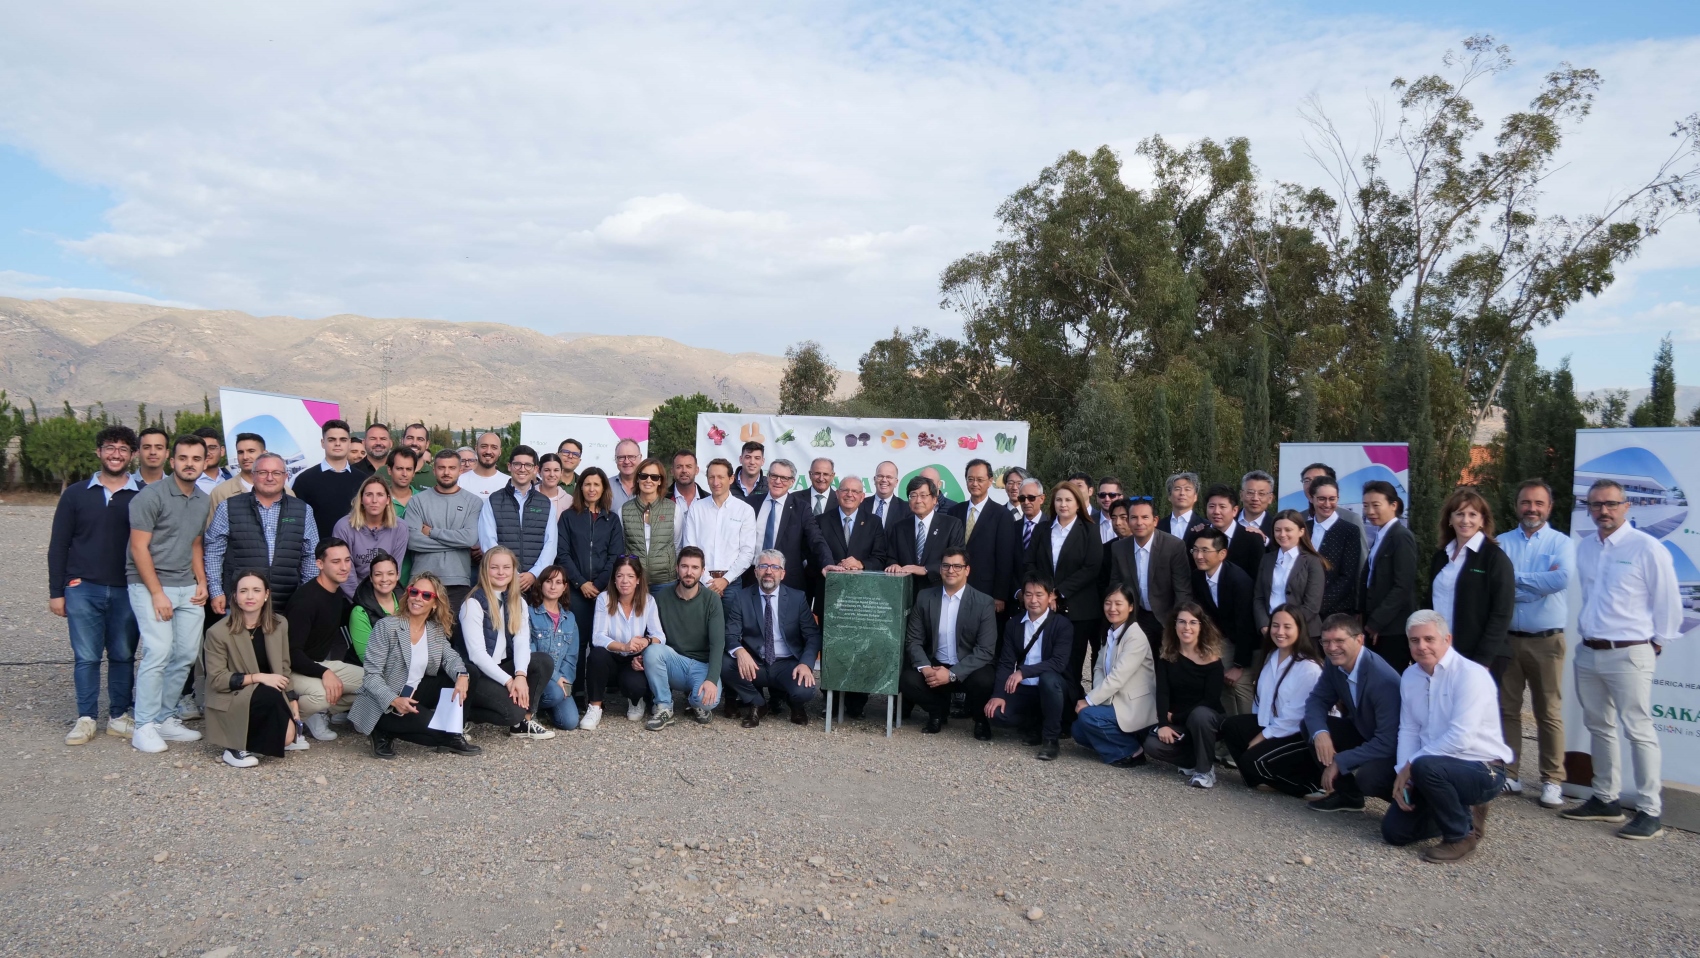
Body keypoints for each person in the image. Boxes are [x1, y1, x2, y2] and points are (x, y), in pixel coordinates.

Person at [1562, 478, 1683, 841]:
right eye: (1596, 504)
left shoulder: (1647, 548)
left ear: (1626, 507)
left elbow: (1669, 603)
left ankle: (1650, 810)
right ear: (1589, 508)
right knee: (1600, 727)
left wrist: (1654, 643)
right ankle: (1605, 799)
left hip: (1629, 652)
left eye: (1611, 504)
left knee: (1639, 730)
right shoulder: (1585, 548)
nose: (1604, 511)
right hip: (1589, 651)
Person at [1382, 610, 1512, 863]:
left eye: (1429, 639)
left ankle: (1460, 836)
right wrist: (1403, 772)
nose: (1422, 646)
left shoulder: (1470, 674)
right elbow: (1408, 729)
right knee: (1394, 833)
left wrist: (1412, 766)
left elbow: (1461, 738)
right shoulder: (1410, 677)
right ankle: (1455, 812)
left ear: (1447, 640)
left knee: (1425, 765)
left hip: (1482, 769)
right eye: (1414, 640)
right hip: (1433, 769)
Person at [50, 424, 144, 744]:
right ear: (99, 452)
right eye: (109, 447)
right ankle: (86, 717)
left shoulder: (143, 495)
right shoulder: (76, 494)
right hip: (82, 587)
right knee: (87, 656)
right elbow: (59, 545)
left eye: (122, 449)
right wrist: (57, 592)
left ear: (132, 455)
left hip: (127, 589)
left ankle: (119, 716)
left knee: (122, 654)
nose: (115, 454)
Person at [126, 434, 211, 754]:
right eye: (183, 458)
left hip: (186, 585)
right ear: (172, 461)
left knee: (186, 654)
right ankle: (143, 724)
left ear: (205, 462)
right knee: (158, 652)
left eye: (196, 459)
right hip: (150, 584)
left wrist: (201, 581)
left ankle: (165, 717)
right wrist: (157, 593)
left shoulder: (203, 499)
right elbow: (138, 547)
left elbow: (194, 543)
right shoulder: (150, 497)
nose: (189, 464)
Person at [1497, 478, 1574, 808]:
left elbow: (1561, 578)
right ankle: (1509, 774)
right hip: (1507, 641)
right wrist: (1535, 585)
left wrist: (1515, 580)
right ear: (1516, 506)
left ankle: (1552, 780)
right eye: (1526, 502)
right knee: (1506, 711)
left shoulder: (1561, 543)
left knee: (1549, 713)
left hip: (1547, 642)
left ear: (1549, 507)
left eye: (1538, 503)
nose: (1532, 509)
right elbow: (1495, 586)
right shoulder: (1499, 542)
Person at [349, 572, 478, 758]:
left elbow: (451, 657)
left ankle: (454, 734)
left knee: (469, 672)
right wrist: (394, 700)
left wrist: (462, 676)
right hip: (384, 702)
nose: (418, 598)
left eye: (426, 595)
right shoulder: (387, 627)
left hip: (415, 692)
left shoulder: (434, 630)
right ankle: (381, 730)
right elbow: (371, 676)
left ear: (435, 604)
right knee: (436, 736)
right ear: (408, 594)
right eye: (414, 592)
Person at [202, 570, 306, 767]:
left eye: (256, 590)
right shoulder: (217, 632)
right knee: (270, 694)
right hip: (234, 695)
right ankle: (234, 748)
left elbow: (284, 666)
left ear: (266, 594)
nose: (250, 596)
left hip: (269, 691)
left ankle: (253, 739)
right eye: (244, 591)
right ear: (235, 596)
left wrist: (292, 700)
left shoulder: (279, 623)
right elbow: (217, 680)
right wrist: (259, 677)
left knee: (288, 737)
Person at [1303, 613, 1403, 812]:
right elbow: (1317, 701)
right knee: (1311, 726)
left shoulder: (1382, 679)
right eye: (1326, 642)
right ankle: (1347, 795)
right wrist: (1320, 733)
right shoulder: (1334, 663)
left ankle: (1410, 806)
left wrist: (1340, 761)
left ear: (1359, 639)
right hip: (1364, 731)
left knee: (1368, 778)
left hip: (1392, 748)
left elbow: (1388, 741)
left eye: (1339, 640)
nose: (1331, 648)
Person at [1221, 604, 1323, 795]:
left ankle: (1309, 786)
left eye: (1287, 626)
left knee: (1249, 759)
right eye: (1275, 625)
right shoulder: (1271, 657)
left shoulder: (1308, 667)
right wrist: (1255, 732)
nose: (1280, 631)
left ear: (1299, 629)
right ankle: (1262, 776)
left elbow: (1295, 716)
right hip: (1273, 726)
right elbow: (1261, 701)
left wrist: (1261, 737)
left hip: (1297, 734)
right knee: (1231, 726)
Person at [205, 452, 319, 619]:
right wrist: (216, 591)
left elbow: (310, 556)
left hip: (286, 603)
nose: (270, 478)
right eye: (263, 472)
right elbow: (213, 552)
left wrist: (305, 596)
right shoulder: (228, 508)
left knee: (280, 646)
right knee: (239, 646)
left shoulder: (303, 510)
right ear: (253, 475)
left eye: (276, 473)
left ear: (286, 476)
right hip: (239, 603)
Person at [901, 546, 999, 737]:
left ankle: (980, 720)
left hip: (968, 668)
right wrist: (926, 668)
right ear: (940, 569)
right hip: (936, 666)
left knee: (985, 679)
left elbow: (986, 650)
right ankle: (937, 713)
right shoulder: (925, 597)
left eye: (957, 566)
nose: (951, 570)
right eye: (946, 566)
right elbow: (913, 639)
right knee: (907, 679)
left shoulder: (983, 602)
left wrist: (953, 673)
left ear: (967, 570)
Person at [459, 546, 555, 739]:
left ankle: (523, 722)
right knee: (511, 712)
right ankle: (463, 714)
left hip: (503, 667)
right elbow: (477, 655)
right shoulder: (473, 603)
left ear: (513, 571)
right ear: (485, 570)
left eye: (506, 567)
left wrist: (520, 675)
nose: (501, 572)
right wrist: (509, 681)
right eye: (494, 567)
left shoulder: (518, 601)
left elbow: (521, 642)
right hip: (477, 675)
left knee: (542, 661)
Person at [723, 549, 821, 726]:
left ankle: (796, 704)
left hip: (787, 663)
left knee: (804, 690)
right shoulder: (742, 597)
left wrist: (805, 664)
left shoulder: (797, 598)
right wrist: (740, 651)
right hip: (755, 664)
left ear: (782, 574)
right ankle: (758, 703)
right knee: (724, 663)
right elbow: (730, 633)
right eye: (763, 566)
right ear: (755, 572)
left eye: (775, 567)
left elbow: (812, 635)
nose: (769, 571)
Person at [1427, 488, 1515, 677]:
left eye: (1472, 514)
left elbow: (1501, 613)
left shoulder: (1494, 559)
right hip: (1443, 652)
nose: (1465, 520)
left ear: (1482, 520)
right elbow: (1430, 603)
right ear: (1449, 520)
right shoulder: (1441, 557)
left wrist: (1483, 660)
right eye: (1459, 514)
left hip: (1481, 657)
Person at [986, 574, 1075, 760]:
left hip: (1051, 687)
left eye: (1039, 594)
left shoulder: (1062, 625)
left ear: (1051, 596)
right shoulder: (1014, 624)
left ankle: (1051, 740)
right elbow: (1006, 662)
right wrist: (998, 695)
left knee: (1049, 679)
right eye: (1028, 594)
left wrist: (1023, 672)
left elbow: (1058, 663)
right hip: (1025, 688)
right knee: (994, 713)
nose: (1033, 600)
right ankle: (1034, 725)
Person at [1024, 478, 1101, 683]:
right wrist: (1044, 593)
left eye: (1068, 499)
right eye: (1059, 500)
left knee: (1072, 664)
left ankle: (1071, 709)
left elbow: (1092, 568)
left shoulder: (1090, 530)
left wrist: (1058, 593)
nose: (1063, 504)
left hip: (1078, 609)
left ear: (1078, 503)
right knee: (1046, 659)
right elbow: (1030, 563)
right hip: (1044, 606)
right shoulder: (1042, 529)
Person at [555, 467, 624, 697]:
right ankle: (576, 693)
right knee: (578, 642)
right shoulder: (568, 517)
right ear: (580, 487)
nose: (592, 489)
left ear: (604, 488)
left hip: (605, 592)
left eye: (597, 484)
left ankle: (598, 695)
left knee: (601, 644)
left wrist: (600, 584)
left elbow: (616, 555)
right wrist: (581, 582)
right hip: (576, 590)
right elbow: (562, 554)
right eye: (587, 484)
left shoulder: (612, 520)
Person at [284, 538, 362, 739]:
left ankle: (319, 713)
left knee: (372, 681)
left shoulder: (336, 593)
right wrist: (324, 672)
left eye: (347, 560)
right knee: (320, 694)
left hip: (317, 665)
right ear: (320, 564)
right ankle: (286, 719)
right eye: (336, 562)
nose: (344, 567)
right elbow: (291, 653)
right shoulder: (305, 601)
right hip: (293, 670)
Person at [1142, 603, 1227, 788]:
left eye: (1192, 622)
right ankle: (1191, 761)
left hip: (1207, 720)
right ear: (1174, 625)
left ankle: (1205, 771)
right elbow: (1162, 692)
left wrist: (1177, 716)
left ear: (1201, 626)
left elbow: (1210, 701)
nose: (1186, 627)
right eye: (1181, 622)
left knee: (1200, 714)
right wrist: (1164, 723)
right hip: (1180, 723)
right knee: (1152, 745)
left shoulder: (1212, 660)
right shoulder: (1167, 656)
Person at [1071, 586, 1157, 766]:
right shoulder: (1112, 631)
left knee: (1088, 716)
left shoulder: (1135, 636)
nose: (1112, 608)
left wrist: (1090, 700)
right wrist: (1100, 700)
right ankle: (1119, 745)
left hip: (1135, 705)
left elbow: (1118, 676)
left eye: (1119, 603)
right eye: (1108, 603)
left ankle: (1132, 751)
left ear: (1131, 607)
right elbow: (1099, 668)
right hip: (1115, 701)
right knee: (1078, 730)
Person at [643, 547, 726, 730]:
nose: (689, 572)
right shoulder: (662, 596)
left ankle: (694, 702)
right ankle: (664, 707)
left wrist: (711, 679)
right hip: (674, 661)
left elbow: (717, 643)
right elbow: (652, 633)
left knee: (708, 702)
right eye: (684, 566)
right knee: (652, 651)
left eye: (695, 567)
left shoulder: (712, 599)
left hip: (701, 665)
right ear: (677, 568)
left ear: (702, 571)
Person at [584, 555, 665, 728]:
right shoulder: (604, 599)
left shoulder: (648, 601)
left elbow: (660, 636)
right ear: (614, 579)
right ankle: (595, 707)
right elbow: (598, 637)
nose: (624, 581)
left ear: (637, 580)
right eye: (620, 576)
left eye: (630, 576)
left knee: (635, 686)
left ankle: (636, 701)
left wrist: (646, 641)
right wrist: (623, 646)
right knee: (596, 655)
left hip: (634, 660)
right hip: (611, 657)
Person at [1108, 496, 1193, 654]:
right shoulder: (1119, 548)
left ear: (1155, 521)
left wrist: (1178, 623)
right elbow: (1116, 586)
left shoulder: (1173, 546)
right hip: (1136, 617)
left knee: (1166, 665)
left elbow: (1183, 590)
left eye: (1145, 517)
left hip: (1166, 617)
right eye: (1134, 517)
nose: (1139, 523)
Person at [406, 449, 484, 615]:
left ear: (460, 470)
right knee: (420, 634)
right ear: (434, 470)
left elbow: (469, 539)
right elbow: (412, 540)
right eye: (441, 468)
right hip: (421, 581)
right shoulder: (417, 501)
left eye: (452, 468)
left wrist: (431, 532)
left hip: (457, 581)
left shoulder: (473, 502)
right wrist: (456, 543)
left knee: (454, 636)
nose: (446, 472)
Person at [1190, 528, 1258, 716]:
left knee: (1240, 687)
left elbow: (1246, 626)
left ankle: (1248, 733)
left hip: (1243, 643)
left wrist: (1239, 666)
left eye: (1205, 550)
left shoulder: (1238, 580)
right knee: (1220, 685)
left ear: (1222, 554)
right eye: (1195, 550)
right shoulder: (1197, 576)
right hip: (1218, 639)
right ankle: (1228, 731)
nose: (1198, 555)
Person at [478, 444, 558, 593]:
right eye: (517, 464)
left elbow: (551, 543)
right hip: (501, 582)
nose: (522, 469)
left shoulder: (545, 504)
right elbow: (488, 542)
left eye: (528, 465)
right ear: (509, 466)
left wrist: (534, 574)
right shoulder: (493, 500)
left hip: (535, 583)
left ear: (535, 469)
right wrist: (510, 574)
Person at [948, 459, 1019, 620]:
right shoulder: (954, 511)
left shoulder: (1002, 515)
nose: (974, 484)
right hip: (955, 587)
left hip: (986, 591)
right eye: (970, 479)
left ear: (990, 481)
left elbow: (1005, 558)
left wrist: (1000, 596)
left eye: (980, 479)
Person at [678, 458, 757, 602]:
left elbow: (747, 552)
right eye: (711, 477)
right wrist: (707, 580)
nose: (715, 482)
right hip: (700, 582)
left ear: (731, 478)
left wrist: (725, 580)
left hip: (731, 584)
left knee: (731, 625)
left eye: (721, 477)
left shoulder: (744, 510)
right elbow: (690, 548)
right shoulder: (696, 508)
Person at [749, 458, 831, 594]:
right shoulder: (751, 503)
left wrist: (826, 562)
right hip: (752, 578)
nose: (778, 481)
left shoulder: (801, 508)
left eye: (784, 478)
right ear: (767, 477)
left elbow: (815, 538)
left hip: (788, 582)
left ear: (792, 482)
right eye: (774, 476)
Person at [1360, 480, 1416, 674]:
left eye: (1376, 505)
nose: (1370, 511)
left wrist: (1376, 623)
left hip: (1392, 629)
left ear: (1394, 505)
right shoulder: (1381, 535)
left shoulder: (1401, 536)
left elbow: (1402, 586)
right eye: (1366, 505)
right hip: (1376, 626)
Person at [884, 475, 967, 592]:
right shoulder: (899, 527)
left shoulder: (952, 525)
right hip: (905, 593)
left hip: (939, 592)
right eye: (913, 496)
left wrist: (926, 569)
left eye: (923, 495)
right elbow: (890, 557)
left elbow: (957, 560)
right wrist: (894, 565)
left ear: (934, 499)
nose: (918, 500)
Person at [332, 474, 409, 599]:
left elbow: (393, 572)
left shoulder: (400, 528)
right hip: (352, 596)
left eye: (380, 495)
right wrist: (362, 602)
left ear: (388, 500)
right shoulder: (343, 527)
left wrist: (382, 603)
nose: (374, 500)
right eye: (369, 495)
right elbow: (345, 573)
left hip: (386, 593)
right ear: (361, 499)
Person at [525, 566, 581, 731]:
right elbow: (530, 652)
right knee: (555, 694)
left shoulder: (569, 618)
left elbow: (571, 657)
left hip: (558, 681)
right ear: (541, 584)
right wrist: (556, 678)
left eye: (558, 582)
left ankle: (543, 708)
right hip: (535, 679)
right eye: (548, 581)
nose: (553, 586)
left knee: (570, 722)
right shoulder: (529, 613)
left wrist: (565, 682)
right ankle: (530, 708)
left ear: (564, 587)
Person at [1253, 510, 1326, 639]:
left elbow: (1312, 605)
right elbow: (1259, 597)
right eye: (1278, 530)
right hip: (1271, 632)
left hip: (1304, 633)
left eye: (1288, 530)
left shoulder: (1312, 561)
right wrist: (1265, 626)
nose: (1282, 534)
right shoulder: (1267, 559)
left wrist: (1286, 627)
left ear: (1301, 531)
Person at [290, 420, 365, 542]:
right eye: (331, 440)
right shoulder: (304, 480)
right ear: (322, 443)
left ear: (349, 443)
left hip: (355, 552)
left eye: (343, 440)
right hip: (317, 552)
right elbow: (296, 520)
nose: (337, 444)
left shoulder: (363, 480)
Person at [1305, 478, 1362, 620]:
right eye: (1321, 499)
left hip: (1335, 612)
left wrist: (1316, 606)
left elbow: (1347, 577)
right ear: (1311, 498)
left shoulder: (1349, 531)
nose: (1327, 504)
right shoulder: (1303, 528)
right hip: (1303, 609)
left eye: (1332, 499)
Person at [623, 456, 679, 593]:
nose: (649, 480)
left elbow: (677, 544)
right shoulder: (624, 510)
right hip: (634, 581)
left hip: (665, 582)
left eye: (654, 477)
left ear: (660, 481)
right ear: (637, 478)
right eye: (644, 476)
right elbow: (624, 545)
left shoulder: (673, 508)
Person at [1202, 485, 1266, 583]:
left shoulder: (1252, 539)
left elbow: (1258, 579)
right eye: (1211, 506)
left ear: (1234, 510)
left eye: (1222, 507)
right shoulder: (1197, 536)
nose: (1216, 512)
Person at [348, 551, 402, 661]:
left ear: (398, 576)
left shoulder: (407, 602)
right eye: (378, 574)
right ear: (371, 578)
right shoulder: (359, 611)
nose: (384, 579)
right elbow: (367, 658)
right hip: (368, 670)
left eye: (390, 573)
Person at [205, 432, 269, 520]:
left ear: (264, 454)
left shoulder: (283, 490)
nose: (245, 457)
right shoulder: (220, 492)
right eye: (240, 452)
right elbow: (213, 532)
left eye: (251, 451)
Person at [667, 449, 708, 540]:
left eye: (689, 466)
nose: (684, 470)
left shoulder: (709, 500)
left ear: (696, 470)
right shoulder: (662, 499)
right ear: (672, 471)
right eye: (679, 467)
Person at [459, 431, 510, 501]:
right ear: (476, 449)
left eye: (494, 447)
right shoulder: (460, 481)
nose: (488, 451)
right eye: (484, 446)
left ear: (500, 452)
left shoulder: (509, 483)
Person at [861, 460, 909, 531]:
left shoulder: (906, 509)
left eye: (889, 477)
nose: (884, 480)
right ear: (874, 479)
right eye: (880, 476)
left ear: (896, 482)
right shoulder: (861, 505)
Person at [1164, 472, 1208, 545]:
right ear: (1169, 496)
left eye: (1187, 489)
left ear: (1195, 496)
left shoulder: (1205, 526)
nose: (1182, 493)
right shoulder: (1158, 527)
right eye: (1177, 489)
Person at [1237, 470, 1277, 546]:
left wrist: (1265, 541)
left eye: (1261, 494)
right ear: (1241, 495)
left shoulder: (1276, 526)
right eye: (1250, 492)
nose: (1255, 498)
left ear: (1270, 498)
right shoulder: (1228, 521)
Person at [193, 427, 234, 493]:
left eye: (212, 448)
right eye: (202, 449)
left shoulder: (232, 476)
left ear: (222, 451)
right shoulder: (187, 483)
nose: (207, 453)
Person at [382, 448, 419, 520]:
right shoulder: (379, 499)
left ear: (414, 472)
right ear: (389, 470)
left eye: (409, 469)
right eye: (399, 468)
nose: (404, 474)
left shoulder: (423, 499)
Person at [536, 453, 573, 523]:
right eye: (547, 470)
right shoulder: (528, 496)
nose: (552, 475)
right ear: (539, 472)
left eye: (556, 470)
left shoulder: (569, 501)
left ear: (561, 472)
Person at [609, 438, 643, 513]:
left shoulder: (650, 486)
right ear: (616, 459)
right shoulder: (605, 486)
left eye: (631, 457)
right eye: (621, 457)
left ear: (640, 458)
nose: (626, 462)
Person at [1092, 477, 1124, 543]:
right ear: (1097, 498)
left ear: (1121, 498)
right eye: (1102, 495)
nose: (1107, 499)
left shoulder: (1130, 523)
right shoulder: (1088, 523)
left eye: (1112, 495)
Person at [734, 440, 765, 506]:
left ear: (762, 461)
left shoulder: (770, 485)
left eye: (757, 458)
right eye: (748, 457)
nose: (752, 462)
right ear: (740, 459)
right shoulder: (727, 483)